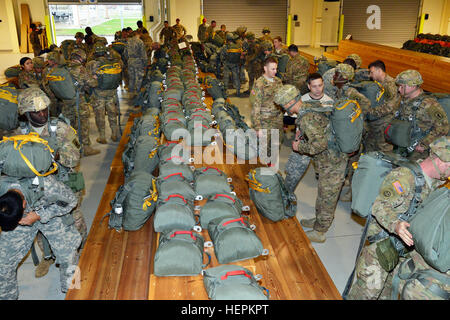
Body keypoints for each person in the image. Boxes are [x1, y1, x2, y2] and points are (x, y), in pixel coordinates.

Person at [346, 136, 450, 300]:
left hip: (401, 252)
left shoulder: (436, 184)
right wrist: (396, 225)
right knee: (365, 295)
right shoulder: (404, 176)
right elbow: (379, 206)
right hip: (380, 249)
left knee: (387, 294)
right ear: (442, 162)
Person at [14, 87, 87, 278]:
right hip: (36, 187)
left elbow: (74, 159)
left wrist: (51, 154)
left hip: (63, 183)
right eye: (36, 112)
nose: (42, 114)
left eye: (45, 109)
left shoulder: (61, 129)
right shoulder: (19, 133)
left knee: (74, 221)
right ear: (26, 114)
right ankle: (48, 256)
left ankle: (83, 249)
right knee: (39, 225)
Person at [274, 84, 347, 243]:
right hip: (329, 158)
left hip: (333, 161)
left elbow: (319, 145)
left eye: (282, 105)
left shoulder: (306, 117)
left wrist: (299, 146)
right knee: (323, 194)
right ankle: (318, 221)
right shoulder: (308, 106)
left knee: (327, 196)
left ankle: (320, 232)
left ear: (288, 103)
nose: (283, 108)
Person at [0, 171, 82, 300]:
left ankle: (73, 292)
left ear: (24, 204)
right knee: (3, 261)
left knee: (69, 254)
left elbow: (71, 201)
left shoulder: (48, 185)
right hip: (19, 218)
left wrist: (39, 215)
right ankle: (7, 297)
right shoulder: (2, 188)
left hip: (50, 211)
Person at [283, 73, 334, 194]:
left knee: (323, 173)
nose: (318, 89)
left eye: (320, 85)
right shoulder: (302, 100)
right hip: (303, 141)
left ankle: (318, 172)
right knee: (293, 173)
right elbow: (287, 118)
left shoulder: (329, 102)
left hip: (321, 143)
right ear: (308, 86)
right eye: (314, 86)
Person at [390, 69, 449, 161]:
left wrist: (424, 144)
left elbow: (443, 127)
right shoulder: (405, 99)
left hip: (417, 153)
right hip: (402, 146)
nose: (399, 89)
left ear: (412, 86)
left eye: (402, 86)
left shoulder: (429, 104)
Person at [64, 49, 100, 157]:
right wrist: (95, 78)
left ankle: (72, 148)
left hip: (65, 100)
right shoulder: (80, 69)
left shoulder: (63, 68)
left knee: (70, 125)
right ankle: (86, 148)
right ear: (81, 58)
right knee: (83, 123)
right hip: (78, 99)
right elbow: (92, 83)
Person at [86, 44, 122, 144]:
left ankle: (102, 136)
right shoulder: (114, 61)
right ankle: (114, 134)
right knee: (112, 113)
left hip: (99, 94)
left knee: (100, 115)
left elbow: (89, 81)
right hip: (112, 92)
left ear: (95, 53)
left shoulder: (92, 64)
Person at [250, 56, 284, 161]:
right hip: (265, 121)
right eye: (272, 69)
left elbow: (282, 99)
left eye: (276, 69)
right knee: (264, 148)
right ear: (265, 68)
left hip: (278, 119)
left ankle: (272, 165)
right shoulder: (259, 84)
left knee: (276, 144)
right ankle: (263, 168)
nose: (275, 71)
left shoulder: (278, 81)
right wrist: (257, 127)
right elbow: (255, 107)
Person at [363, 60, 401, 153]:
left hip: (384, 123)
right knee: (370, 147)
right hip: (376, 122)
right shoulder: (378, 84)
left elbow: (390, 106)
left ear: (379, 71)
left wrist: (370, 113)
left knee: (383, 149)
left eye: (372, 72)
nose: (370, 75)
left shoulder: (390, 85)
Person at [123, 31, 147, 100]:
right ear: (138, 34)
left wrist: (129, 59)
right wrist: (145, 63)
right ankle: (137, 95)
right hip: (138, 62)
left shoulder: (128, 41)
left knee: (131, 78)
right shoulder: (140, 42)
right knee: (138, 78)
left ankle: (131, 93)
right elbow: (143, 54)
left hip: (130, 61)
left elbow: (125, 53)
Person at [220, 32, 243, 97]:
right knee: (236, 77)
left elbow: (222, 56)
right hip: (235, 64)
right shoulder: (237, 46)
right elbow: (240, 56)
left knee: (226, 77)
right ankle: (238, 91)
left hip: (227, 64)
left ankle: (225, 92)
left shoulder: (225, 47)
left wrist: (223, 62)